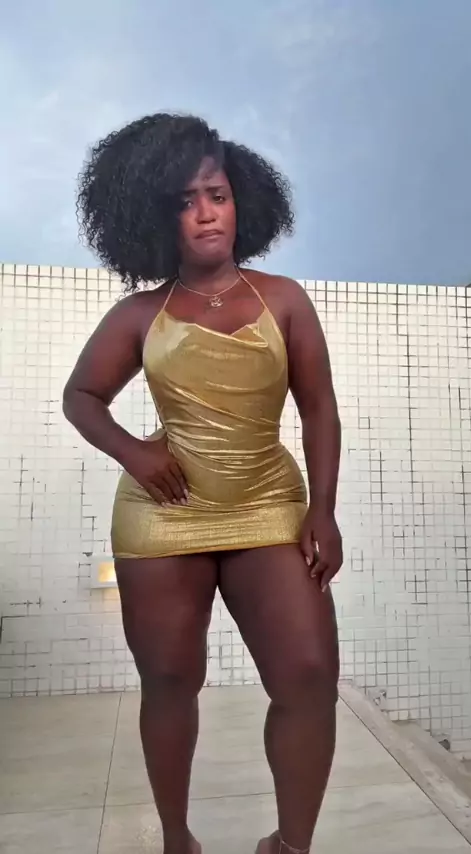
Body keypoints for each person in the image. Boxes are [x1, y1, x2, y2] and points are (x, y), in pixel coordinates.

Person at [63, 113, 342, 854]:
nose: (206, 212)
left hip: (268, 504)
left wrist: (323, 510)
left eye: (216, 194)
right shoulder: (140, 314)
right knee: (169, 678)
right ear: (157, 217)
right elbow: (81, 398)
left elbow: (319, 407)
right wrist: (134, 453)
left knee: (309, 674)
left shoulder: (284, 299)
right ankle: (177, 840)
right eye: (184, 201)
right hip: (165, 515)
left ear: (241, 200)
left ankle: (291, 845)